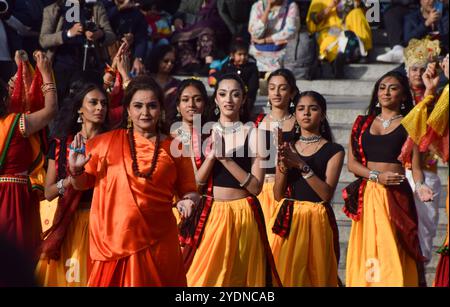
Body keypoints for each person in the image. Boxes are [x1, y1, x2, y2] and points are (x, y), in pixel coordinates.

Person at [67, 75, 200, 286]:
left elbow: (190, 190)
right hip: (115, 241)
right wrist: (74, 170)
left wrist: (189, 201)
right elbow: (82, 184)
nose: (145, 113)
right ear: (128, 110)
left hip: (160, 242)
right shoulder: (104, 143)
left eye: (152, 106)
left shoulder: (176, 147)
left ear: (161, 109)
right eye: (138, 106)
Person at [181, 73, 281, 286]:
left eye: (235, 95)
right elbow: (196, 183)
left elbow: (256, 187)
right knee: (202, 279)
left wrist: (226, 159)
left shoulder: (256, 134)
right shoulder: (201, 134)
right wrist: (211, 157)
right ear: (216, 99)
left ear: (243, 100)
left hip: (243, 213)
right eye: (223, 94)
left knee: (239, 278)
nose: (229, 99)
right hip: (211, 212)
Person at [344, 71, 432, 286]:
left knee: (392, 247)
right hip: (368, 195)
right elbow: (352, 164)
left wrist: (420, 186)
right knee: (369, 248)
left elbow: (417, 167)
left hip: (396, 196)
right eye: (382, 87)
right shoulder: (362, 123)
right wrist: (377, 176)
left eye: (393, 88)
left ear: (403, 96)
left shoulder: (410, 124)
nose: (386, 92)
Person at [35, 81, 109, 287]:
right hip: (68, 223)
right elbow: (48, 192)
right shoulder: (60, 145)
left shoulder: (112, 144)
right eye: (93, 103)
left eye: (104, 103)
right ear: (79, 108)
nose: (99, 108)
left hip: (101, 224)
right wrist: (71, 179)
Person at [271, 91, 344, 286]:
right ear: (295, 115)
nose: (306, 113)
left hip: (316, 218)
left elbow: (326, 194)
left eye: (313, 108)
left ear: (322, 114)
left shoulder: (334, 150)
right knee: (283, 275)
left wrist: (301, 165)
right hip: (288, 216)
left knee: (316, 275)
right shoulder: (287, 146)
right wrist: (284, 165)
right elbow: (277, 195)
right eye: (301, 109)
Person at [0, 50, 57, 263]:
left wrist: (20, 69)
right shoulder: (15, 124)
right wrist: (47, 74)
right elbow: (50, 110)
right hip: (13, 198)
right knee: (17, 261)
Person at [401, 53, 449, 287]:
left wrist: (431, 93)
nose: (418, 74)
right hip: (400, 172)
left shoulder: (439, 97)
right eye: (414, 69)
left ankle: (419, 277)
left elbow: (431, 133)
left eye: (423, 69)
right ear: (406, 72)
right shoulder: (397, 96)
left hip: (427, 171)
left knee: (426, 231)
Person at [39, 0, 116, 104]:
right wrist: (68, 34)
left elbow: (111, 36)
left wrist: (99, 34)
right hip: (61, 68)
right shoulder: (53, 9)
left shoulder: (95, 7)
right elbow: (44, 40)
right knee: (61, 105)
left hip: (90, 67)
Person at [253, 68, 298, 229]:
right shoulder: (257, 121)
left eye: (282, 88)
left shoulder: (298, 124)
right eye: (272, 88)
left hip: (285, 192)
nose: (276, 93)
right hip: (257, 191)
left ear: (292, 93)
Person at [306, 0, 373, 78]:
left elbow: (366, 13)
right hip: (330, 29)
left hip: (348, 29)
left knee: (357, 13)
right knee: (330, 39)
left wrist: (358, 4)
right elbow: (314, 20)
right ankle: (336, 63)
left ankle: (363, 52)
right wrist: (331, 6)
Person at [171, 0, 229, 75]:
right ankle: (191, 64)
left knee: (206, 33)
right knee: (180, 38)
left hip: (217, 29)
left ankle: (209, 64)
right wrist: (178, 19)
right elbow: (181, 11)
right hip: (193, 28)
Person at [209, 39, 259, 116]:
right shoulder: (227, 66)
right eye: (239, 54)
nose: (243, 57)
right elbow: (221, 80)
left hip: (245, 98)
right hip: (227, 96)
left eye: (245, 54)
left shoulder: (251, 68)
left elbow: (253, 87)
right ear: (232, 55)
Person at [248, 0, 300, 73]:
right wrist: (267, 9)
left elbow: (290, 31)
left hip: (280, 57)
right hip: (257, 57)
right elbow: (255, 33)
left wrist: (265, 40)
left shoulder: (291, 6)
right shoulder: (258, 6)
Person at [101, 0, 148, 76]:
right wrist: (120, 8)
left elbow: (141, 38)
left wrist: (138, 58)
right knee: (107, 79)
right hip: (105, 55)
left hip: (127, 54)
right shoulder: (105, 4)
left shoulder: (137, 14)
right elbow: (103, 21)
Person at [145, 44, 180, 126]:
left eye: (172, 62)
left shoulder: (177, 84)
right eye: (166, 61)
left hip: (171, 125)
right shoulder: (147, 81)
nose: (169, 64)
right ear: (157, 60)